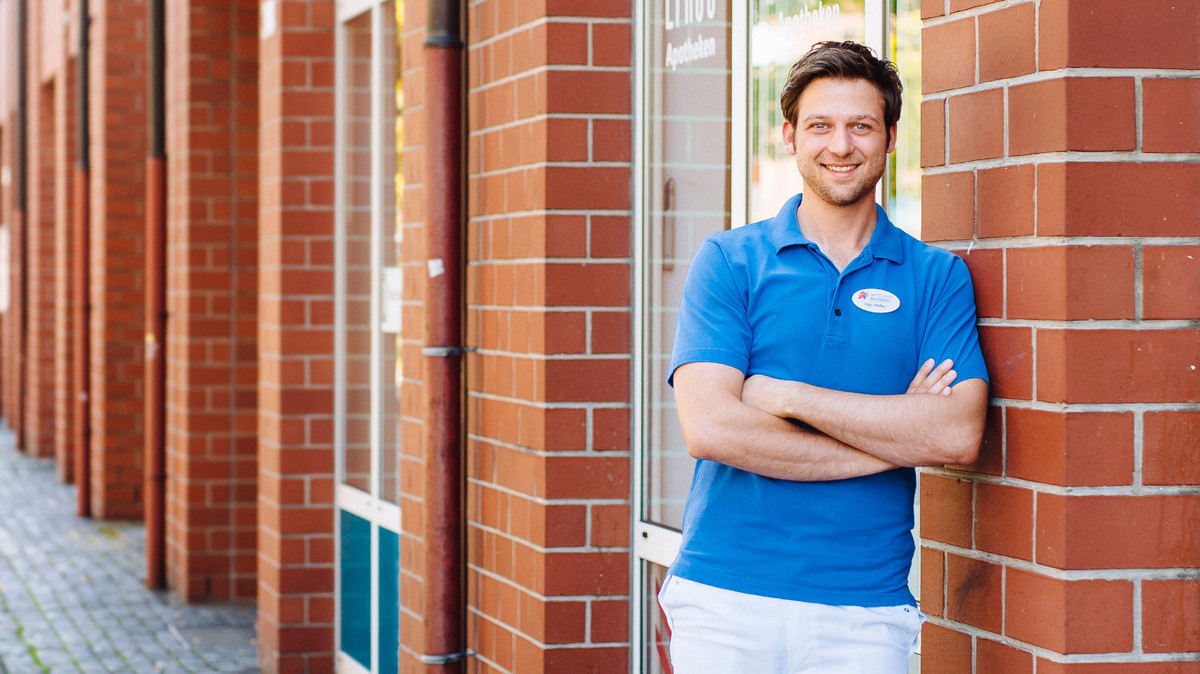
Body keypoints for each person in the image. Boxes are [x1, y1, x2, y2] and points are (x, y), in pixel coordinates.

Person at [659, 41, 989, 673]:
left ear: (891, 137)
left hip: (864, 607)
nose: (841, 146)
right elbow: (712, 428)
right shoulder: (729, 262)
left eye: (861, 126)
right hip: (726, 597)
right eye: (821, 126)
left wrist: (786, 397)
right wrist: (894, 435)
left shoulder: (936, 276)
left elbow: (956, 432)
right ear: (789, 135)